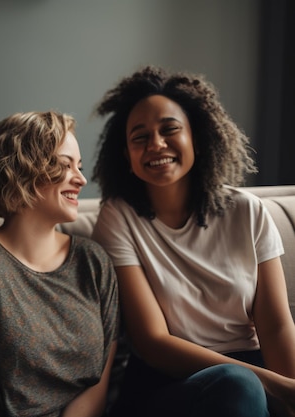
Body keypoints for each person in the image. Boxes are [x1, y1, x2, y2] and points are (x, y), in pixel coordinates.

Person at [90, 65, 295, 417]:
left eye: (169, 129)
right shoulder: (118, 217)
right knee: (239, 386)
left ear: (196, 139)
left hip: (254, 373)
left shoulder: (248, 212)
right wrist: (271, 384)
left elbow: (276, 326)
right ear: (126, 155)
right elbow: (151, 343)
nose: (156, 144)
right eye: (140, 137)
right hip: (169, 384)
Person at [0, 111, 119, 417]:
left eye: (79, 167)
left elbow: (97, 385)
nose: (81, 179)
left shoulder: (94, 262)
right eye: (64, 165)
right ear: (22, 169)